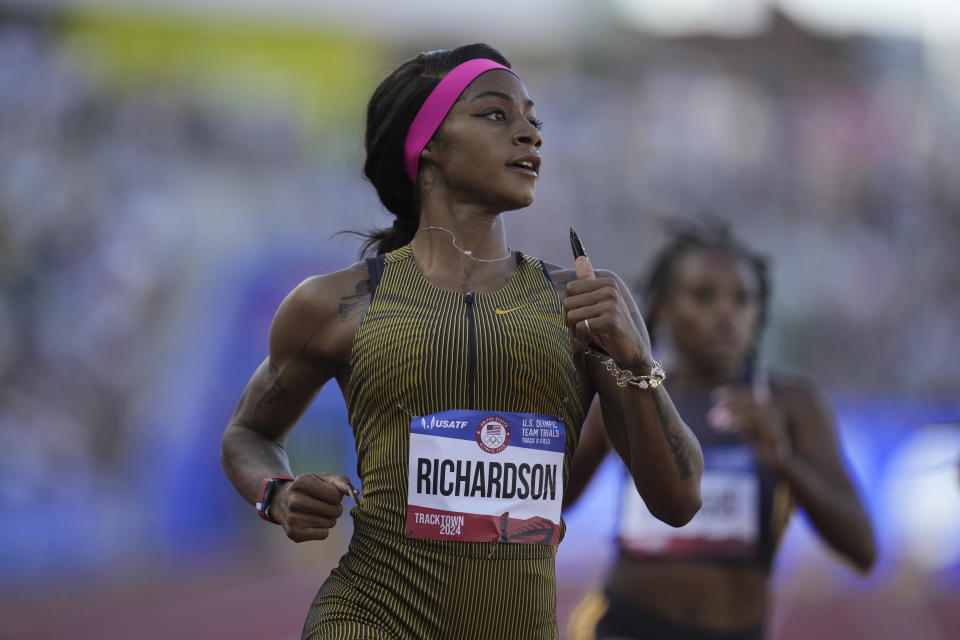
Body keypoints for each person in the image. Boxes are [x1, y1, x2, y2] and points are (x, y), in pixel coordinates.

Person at [220, 44, 703, 640]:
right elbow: (249, 432)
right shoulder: (335, 304)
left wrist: (635, 359)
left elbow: (679, 502)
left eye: (533, 119)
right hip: (369, 620)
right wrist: (278, 492)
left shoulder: (583, 303)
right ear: (428, 148)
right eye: (496, 115)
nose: (529, 133)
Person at [564, 219, 876, 640]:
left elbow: (863, 550)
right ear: (661, 308)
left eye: (744, 299)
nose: (727, 314)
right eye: (704, 296)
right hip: (625, 626)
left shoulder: (788, 403)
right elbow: (554, 498)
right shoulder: (631, 390)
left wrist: (784, 459)